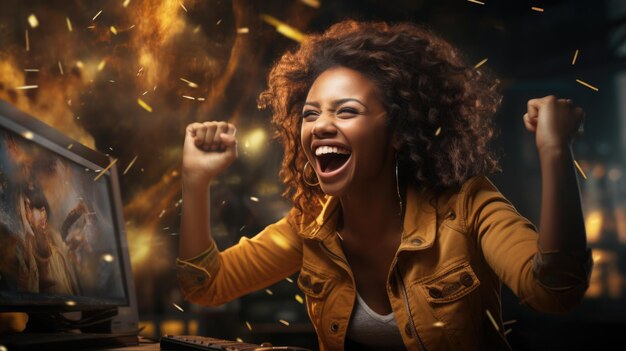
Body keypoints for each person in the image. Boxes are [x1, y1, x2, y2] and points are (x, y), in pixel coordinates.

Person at [176, 20, 592, 351]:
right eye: (310, 114)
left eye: (346, 111)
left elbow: (554, 291)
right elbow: (205, 285)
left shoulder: (468, 208)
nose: (321, 126)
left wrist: (555, 151)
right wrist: (196, 181)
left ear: (398, 131)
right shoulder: (309, 228)